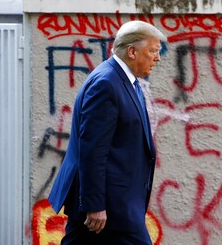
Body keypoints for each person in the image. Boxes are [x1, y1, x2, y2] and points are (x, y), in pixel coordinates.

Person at [48, 20, 167, 244]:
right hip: (110, 206)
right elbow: (93, 149)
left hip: (117, 202)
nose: (157, 58)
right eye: (153, 51)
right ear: (132, 51)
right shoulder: (106, 84)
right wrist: (94, 205)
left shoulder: (126, 80)